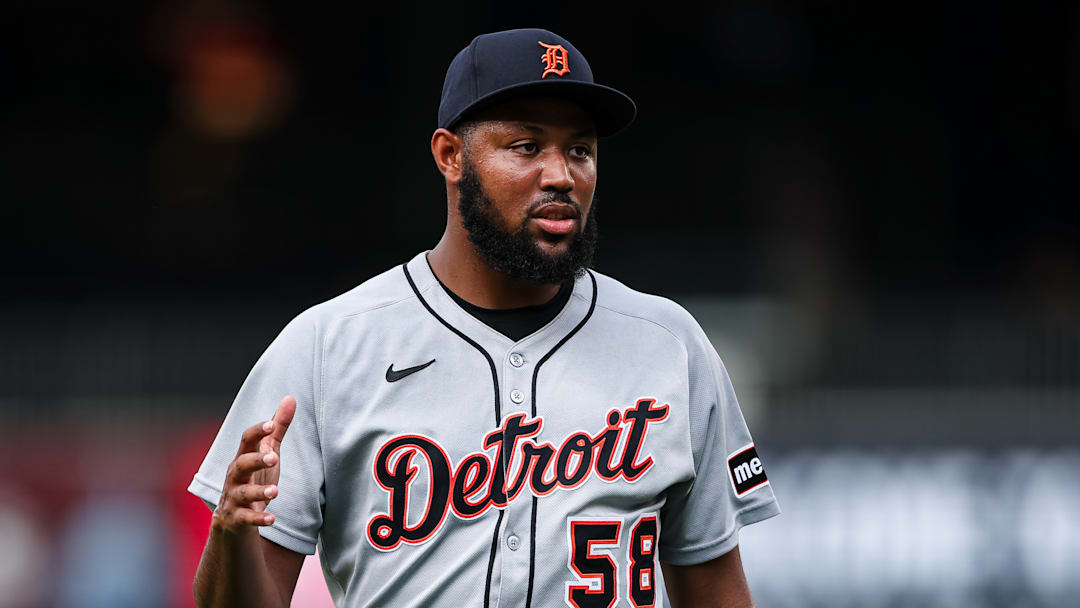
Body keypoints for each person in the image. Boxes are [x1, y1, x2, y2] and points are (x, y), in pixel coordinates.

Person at [189, 28, 779, 607]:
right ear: (450, 156)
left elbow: (718, 592)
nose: (561, 175)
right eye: (526, 146)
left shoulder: (669, 344)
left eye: (580, 150)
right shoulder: (328, 346)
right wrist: (230, 535)